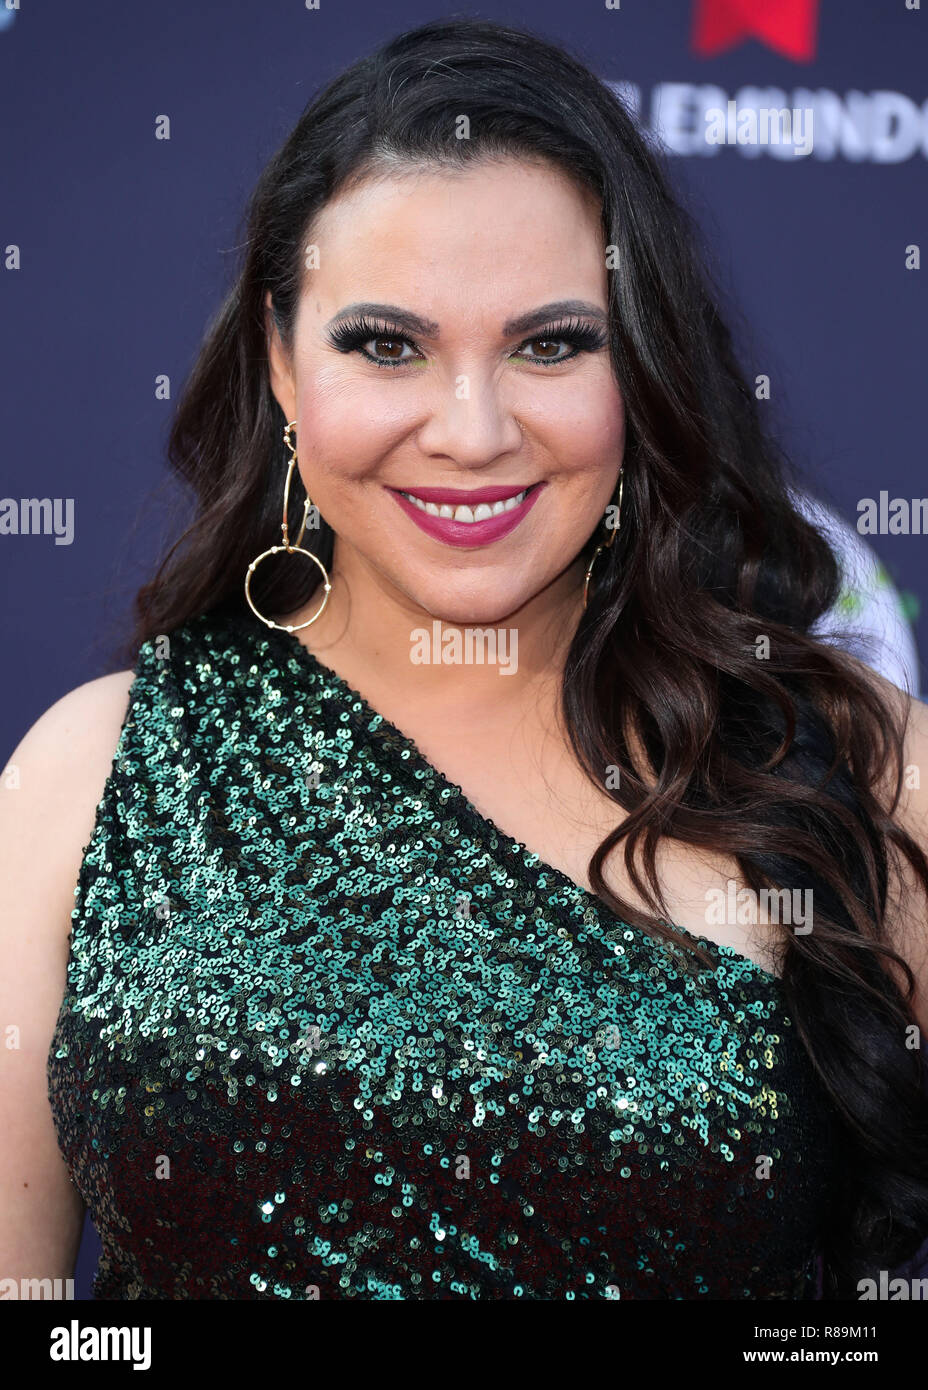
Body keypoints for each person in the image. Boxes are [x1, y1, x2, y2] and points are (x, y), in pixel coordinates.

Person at [2, 17, 927, 1302]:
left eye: (550, 343)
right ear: (277, 360)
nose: (472, 430)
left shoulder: (854, 764)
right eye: (385, 344)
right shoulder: (90, 773)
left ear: (641, 362)